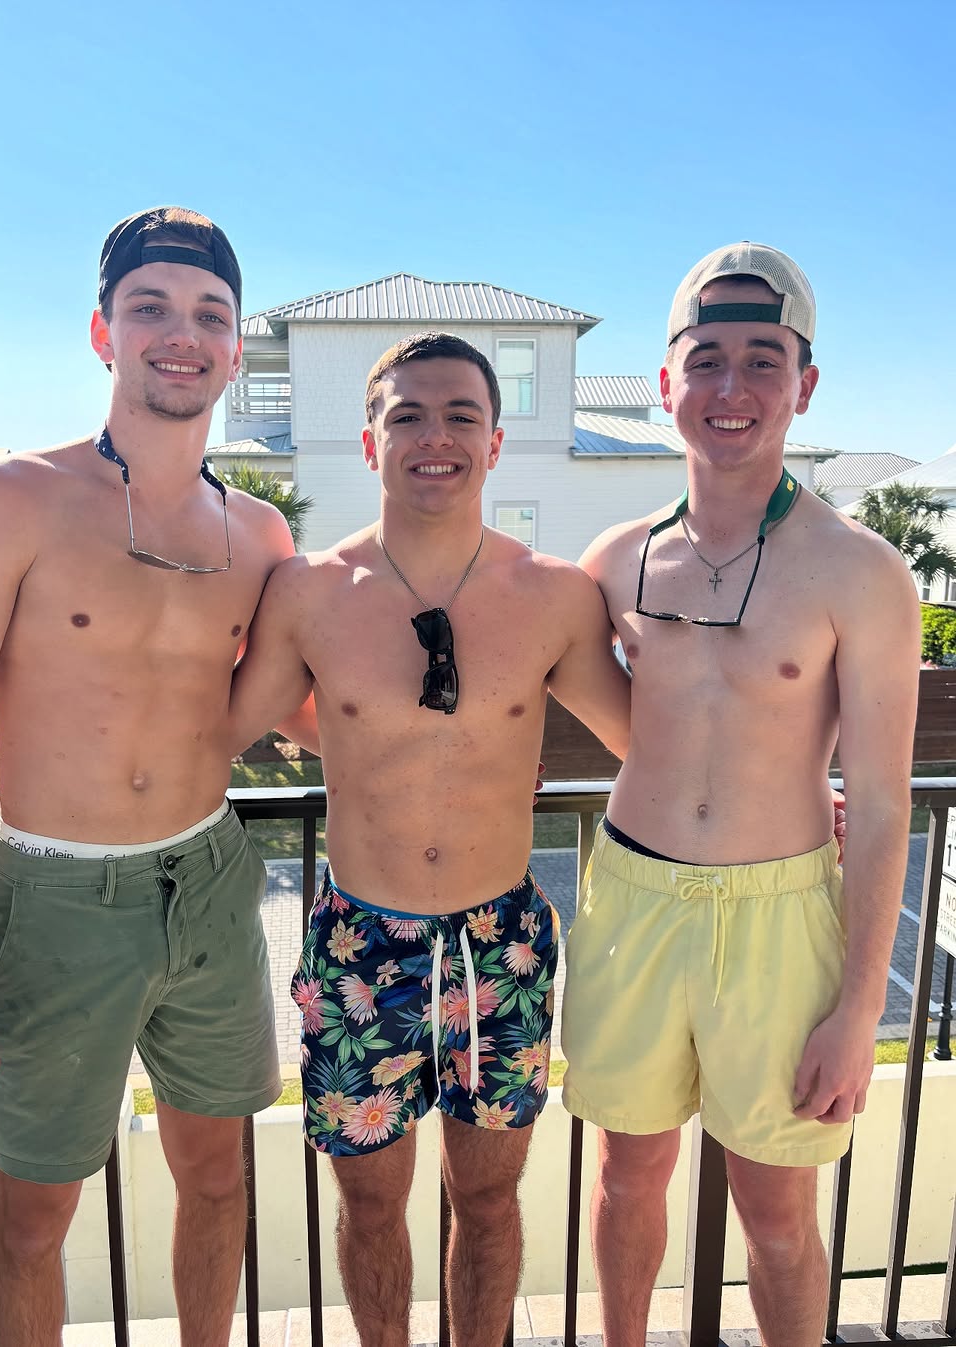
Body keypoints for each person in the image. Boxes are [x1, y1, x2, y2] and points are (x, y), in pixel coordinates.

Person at [0, 206, 300, 1347]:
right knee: (35, 1215)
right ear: (101, 331)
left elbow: (315, 709)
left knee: (216, 1173)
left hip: (210, 882)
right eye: (150, 307)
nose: (182, 334)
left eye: (209, 314)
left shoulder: (260, 536)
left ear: (235, 347)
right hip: (56, 897)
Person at [227, 330, 632, 1347]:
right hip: (362, 942)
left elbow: (650, 740)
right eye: (407, 416)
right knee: (369, 1206)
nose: (435, 436)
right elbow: (213, 728)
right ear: (372, 443)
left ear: (495, 442)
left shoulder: (554, 596)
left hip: (503, 943)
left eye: (461, 416)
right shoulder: (311, 592)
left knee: (487, 1201)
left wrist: (807, 791)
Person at [561, 242, 921, 1346]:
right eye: (706, 358)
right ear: (666, 382)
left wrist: (858, 1011)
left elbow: (884, 801)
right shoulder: (615, 561)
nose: (732, 387)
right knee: (626, 1176)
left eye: (763, 360)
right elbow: (543, 682)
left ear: (803, 385)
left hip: (779, 914)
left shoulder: (862, 570)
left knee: (777, 1211)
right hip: (632, 899)